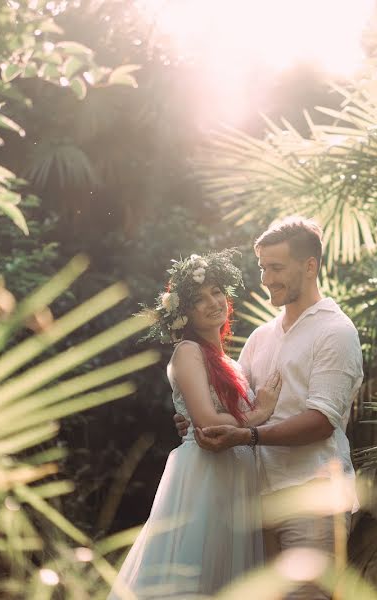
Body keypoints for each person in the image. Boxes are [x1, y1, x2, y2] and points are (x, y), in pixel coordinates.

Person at [175, 217, 363, 600]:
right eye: (262, 267)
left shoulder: (336, 331)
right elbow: (232, 403)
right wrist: (195, 416)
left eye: (275, 268)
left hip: (313, 501)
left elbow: (321, 422)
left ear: (309, 266)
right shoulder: (261, 337)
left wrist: (248, 434)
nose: (265, 279)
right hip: (257, 505)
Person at [109, 249, 282, 600]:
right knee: (196, 576)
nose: (213, 302)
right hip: (206, 475)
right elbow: (205, 422)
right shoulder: (188, 351)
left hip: (235, 475)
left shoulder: (226, 361)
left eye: (217, 292)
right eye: (199, 300)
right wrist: (260, 414)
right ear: (184, 313)